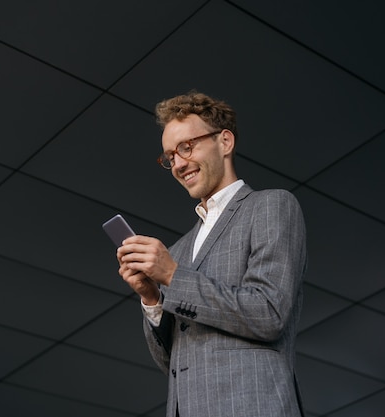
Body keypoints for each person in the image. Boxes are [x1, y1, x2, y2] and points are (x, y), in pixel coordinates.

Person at [116, 91, 307, 417]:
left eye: (186, 147)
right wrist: (152, 299)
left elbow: (269, 313)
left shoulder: (271, 206)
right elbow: (173, 364)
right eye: (169, 157)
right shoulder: (178, 250)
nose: (177, 163)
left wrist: (173, 276)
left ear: (225, 142)